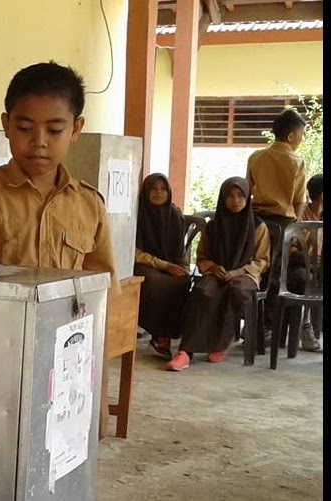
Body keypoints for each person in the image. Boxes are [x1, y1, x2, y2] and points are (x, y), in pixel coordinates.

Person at [0, 61, 117, 439]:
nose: (39, 142)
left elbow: (100, 300)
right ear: (6, 124)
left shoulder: (89, 206)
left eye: (55, 129)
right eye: (25, 128)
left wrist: (96, 389)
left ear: (76, 129)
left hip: (62, 361)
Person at [167, 177, 270, 371]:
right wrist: (214, 267)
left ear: (248, 198)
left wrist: (238, 271)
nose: (235, 200)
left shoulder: (258, 226)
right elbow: (203, 256)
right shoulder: (213, 226)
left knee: (236, 290)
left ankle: (221, 342)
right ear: (222, 198)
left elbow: (262, 261)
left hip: (245, 274)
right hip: (217, 271)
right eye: (229, 195)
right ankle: (185, 351)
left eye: (240, 195)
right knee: (202, 291)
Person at [246, 108, 308, 336]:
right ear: (291, 136)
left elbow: (247, 190)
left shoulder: (256, 157)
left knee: (255, 271)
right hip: (283, 224)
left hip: (255, 222)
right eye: (301, 134)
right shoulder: (297, 161)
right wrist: (297, 230)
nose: (301, 139)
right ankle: (267, 326)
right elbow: (299, 201)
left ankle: (249, 322)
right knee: (276, 275)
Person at [132, 173, 191, 358]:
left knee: (181, 281)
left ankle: (165, 334)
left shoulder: (174, 214)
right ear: (145, 191)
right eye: (153, 188)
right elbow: (134, 252)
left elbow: (179, 250)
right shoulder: (137, 214)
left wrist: (183, 267)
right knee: (155, 282)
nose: (158, 193)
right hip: (142, 263)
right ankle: (158, 335)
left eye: (163, 189)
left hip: (167, 264)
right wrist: (164, 265)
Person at [289, 172, 323, 351]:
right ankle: (305, 325)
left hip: (320, 267)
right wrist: (306, 257)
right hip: (297, 265)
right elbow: (289, 248)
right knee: (307, 278)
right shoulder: (300, 214)